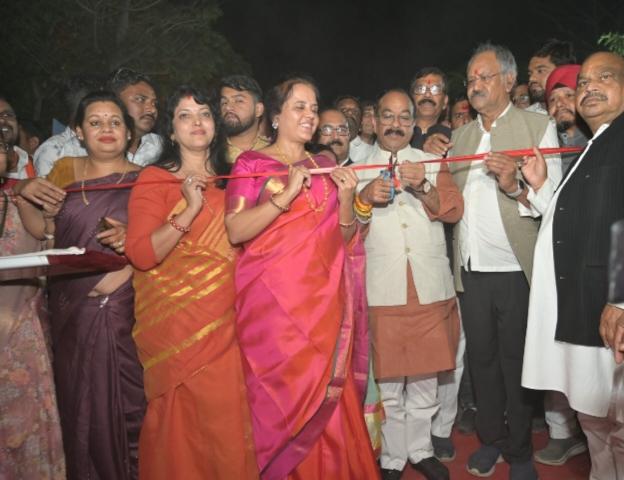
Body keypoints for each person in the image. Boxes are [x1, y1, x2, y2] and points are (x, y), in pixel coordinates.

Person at [520, 51, 624, 480]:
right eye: (583, 82)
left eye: (603, 77)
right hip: (586, 317)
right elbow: (576, 220)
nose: (588, 87)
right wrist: (540, 191)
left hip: (623, 319)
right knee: (597, 430)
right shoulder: (597, 143)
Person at [225, 76, 380, 480]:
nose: (310, 115)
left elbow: (344, 237)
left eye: (313, 107)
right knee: (281, 402)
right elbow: (236, 230)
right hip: (272, 313)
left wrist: (347, 199)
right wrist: (284, 195)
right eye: (299, 107)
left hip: (324, 306)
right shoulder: (250, 165)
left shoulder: (326, 164)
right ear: (275, 117)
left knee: (329, 397)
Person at [125, 86, 259, 479]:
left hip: (229, 322)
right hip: (175, 327)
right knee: (180, 430)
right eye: (185, 115)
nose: (196, 122)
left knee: (227, 423)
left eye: (204, 113)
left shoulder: (236, 178)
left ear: (215, 125)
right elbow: (142, 255)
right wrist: (190, 209)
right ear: (171, 130)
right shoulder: (154, 179)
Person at [15, 91, 147, 480]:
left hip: (127, 313)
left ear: (128, 132)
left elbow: (162, 244)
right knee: (77, 408)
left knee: (129, 408)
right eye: (95, 122)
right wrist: (24, 196)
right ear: (78, 131)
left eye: (115, 121)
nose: (106, 129)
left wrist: (127, 274)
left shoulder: (150, 181)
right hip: (70, 312)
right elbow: (46, 234)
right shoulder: (63, 172)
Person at [449, 41, 561, 480]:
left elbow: (552, 203)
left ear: (509, 81)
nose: (475, 85)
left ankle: (519, 452)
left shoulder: (538, 126)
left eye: (485, 77)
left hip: (518, 270)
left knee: (517, 362)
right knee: (482, 361)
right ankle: (490, 441)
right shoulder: (459, 136)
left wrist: (515, 186)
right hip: (472, 272)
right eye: (471, 79)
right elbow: (450, 204)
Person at [357, 89, 463, 480]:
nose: (396, 124)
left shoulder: (432, 161)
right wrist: (363, 200)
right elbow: (345, 231)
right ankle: (392, 457)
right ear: (375, 121)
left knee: (424, 380)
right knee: (387, 381)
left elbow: (453, 211)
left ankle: (420, 450)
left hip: (429, 287)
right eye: (388, 116)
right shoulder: (356, 168)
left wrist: (423, 187)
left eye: (404, 117)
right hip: (382, 289)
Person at [531, 63, 589, 469]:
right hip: (557, 262)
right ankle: (561, 431)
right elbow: (547, 206)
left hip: (599, 266)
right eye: (553, 99)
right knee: (556, 347)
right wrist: (524, 188)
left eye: (568, 94)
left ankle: (591, 430)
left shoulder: (608, 139)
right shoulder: (552, 142)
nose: (561, 104)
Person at [0, 121, 65, 479]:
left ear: (9, 156)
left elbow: (49, 246)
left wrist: (52, 221)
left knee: (24, 430)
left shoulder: (21, 197)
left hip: (22, 336)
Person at [34, 69, 163, 177]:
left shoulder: (161, 146)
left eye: (154, 103)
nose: (152, 109)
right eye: (140, 99)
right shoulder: (70, 152)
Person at [544, 64, 589, 174]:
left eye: (569, 95)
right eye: (552, 99)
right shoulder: (544, 144)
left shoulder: (601, 141)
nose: (559, 103)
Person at [219, 74, 269, 163]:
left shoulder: (275, 152)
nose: (228, 107)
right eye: (224, 102)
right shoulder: (212, 154)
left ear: (258, 109)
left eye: (239, 101)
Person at [526, 39, 576, 113]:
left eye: (540, 71)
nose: (531, 79)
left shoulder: (586, 112)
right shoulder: (523, 118)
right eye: (530, 73)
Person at [410, 67, 452, 150]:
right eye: (420, 89)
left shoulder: (453, 140)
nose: (427, 95)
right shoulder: (396, 135)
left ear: (445, 101)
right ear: (411, 99)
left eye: (435, 89)